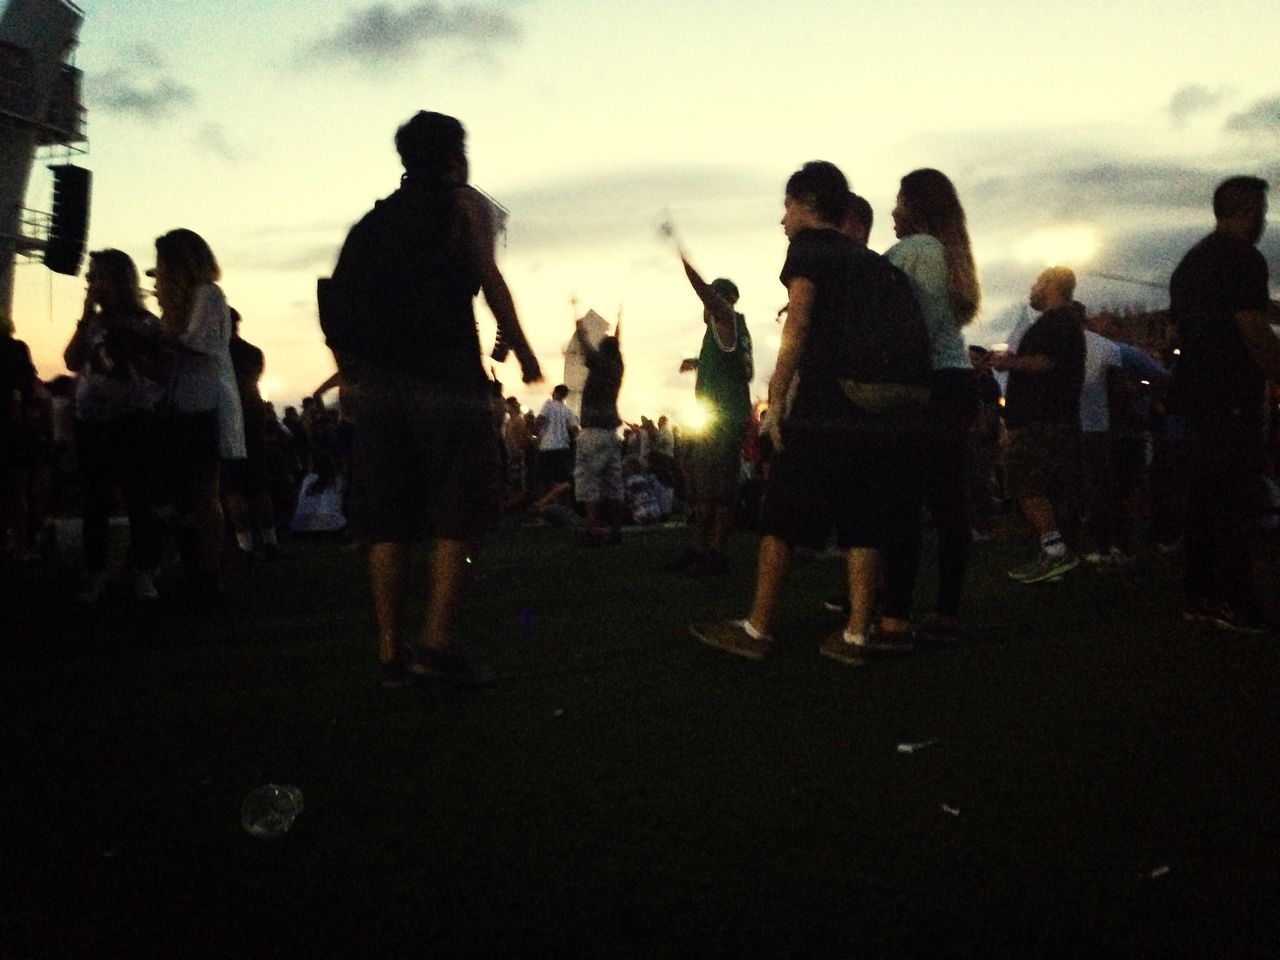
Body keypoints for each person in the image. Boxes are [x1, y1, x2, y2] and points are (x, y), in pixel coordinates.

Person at [323, 110, 542, 688]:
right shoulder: (464, 204)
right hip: (445, 378)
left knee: (388, 521)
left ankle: (391, 651)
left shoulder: (373, 223)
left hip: (380, 385)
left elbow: (336, 304)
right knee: (459, 514)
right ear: (453, 155)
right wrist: (523, 351)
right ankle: (438, 643)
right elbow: (490, 281)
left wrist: (351, 378)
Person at [691, 161, 930, 663]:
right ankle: (856, 634)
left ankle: (757, 628)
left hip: (826, 400)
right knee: (863, 519)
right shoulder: (870, 262)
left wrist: (777, 395)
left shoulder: (809, 248)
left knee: (780, 513)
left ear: (806, 204)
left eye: (786, 206)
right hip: (878, 404)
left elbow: (798, 324)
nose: (783, 219)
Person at [1169, 175, 1280, 633]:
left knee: (1205, 498)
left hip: (1194, 395)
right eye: (1262, 211)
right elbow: (1251, 327)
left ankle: (1199, 595)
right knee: (1235, 501)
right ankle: (1235, 600)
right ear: (1249, 210)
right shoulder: (1243, 259)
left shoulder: (1192, 262)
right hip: (1231, 395)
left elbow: (1186, 330)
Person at [879, 168, 982, 642]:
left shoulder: (913, 251)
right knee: (948, 504)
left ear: (916, 206)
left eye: (899, 200)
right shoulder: (951, 255)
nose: (892, 210)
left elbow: (874, 306)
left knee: (899, 501)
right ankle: (946, 612)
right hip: (958, 378)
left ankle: (895, 612)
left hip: (923, 385)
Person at [61, 249, 166, 602]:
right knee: (95, 500)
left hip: (134, 417)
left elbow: (161, 371)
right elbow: (73, 360)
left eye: (97, 275)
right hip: (92, 420)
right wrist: (86, 313)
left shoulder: (147, 324)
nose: (91, 282)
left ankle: (144, 571)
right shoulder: (93, 324)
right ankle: (96, 573)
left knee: (139, 498)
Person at [150, 228, 243, 604]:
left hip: (202, 402)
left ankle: (208, 570)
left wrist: (154, 336)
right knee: (185, 492)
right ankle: (194, 564)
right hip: (179, 402)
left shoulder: (208, 295)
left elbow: (200, 346)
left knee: (205, 491)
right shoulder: (185, 300)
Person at [992, 267, 1086, 584]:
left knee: (1025, 484)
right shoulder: (1060, 323)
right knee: (1042, 489)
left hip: (1042, 422)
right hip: (1044, 420)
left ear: (1051, 286)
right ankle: (1054, 554)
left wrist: (1009, 363)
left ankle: (1057, 552)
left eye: (1036, 283)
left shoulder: (1059, 321)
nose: (1032, 289)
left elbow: (1046, 363)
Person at [666, 246, 753, 575]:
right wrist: (698, 363)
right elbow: (736, 368)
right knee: (707, 487)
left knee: (716, 491)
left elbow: (706, 292)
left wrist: (683, 259)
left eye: (711, 300)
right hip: (720, 417)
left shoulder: (726, 319)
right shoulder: (726, 332)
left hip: (723, 419)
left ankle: (714, 552)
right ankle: (700, 548)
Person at [222, 308, 282, 560]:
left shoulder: (219, 354)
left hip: (229, 422)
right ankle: (270, 541)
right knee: (258, 487)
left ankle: (245, 545)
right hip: (253, 421)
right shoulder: (254, 352)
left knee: (234, 489)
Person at [571, 316, 625, 544]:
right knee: (613, 483)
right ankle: (614, 530)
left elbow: (585, 345)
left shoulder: (600, 365)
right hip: (611, 433)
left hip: (592, 432)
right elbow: (615, 344)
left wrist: (578, 324)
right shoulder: (617, 368)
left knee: (590, 482)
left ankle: (592, 530)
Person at [534, 384, 578, 509]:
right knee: (560, 479)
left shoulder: (548, 404)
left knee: (544, 479)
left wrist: (537, 431)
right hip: (563, 448)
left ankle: (541, 505)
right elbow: (574, 429)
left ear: (555, 393)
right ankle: (557, 505)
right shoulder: (568, 411)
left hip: (547, 446)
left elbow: (540, 420)